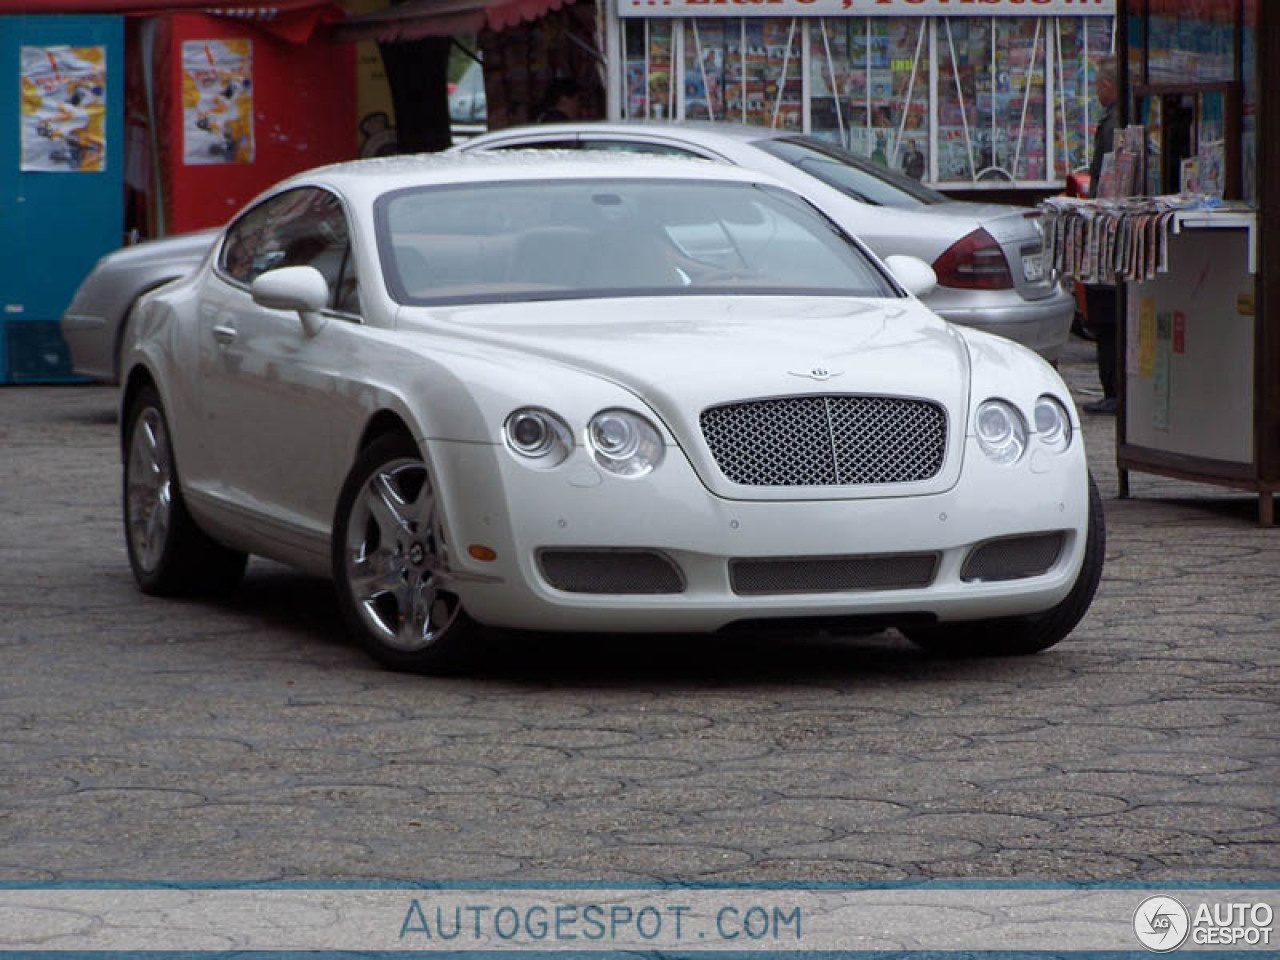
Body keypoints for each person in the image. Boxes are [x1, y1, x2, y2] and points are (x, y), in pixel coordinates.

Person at [1083, 55, 1119, 414]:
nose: (1095, 91)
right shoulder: (1118, 119)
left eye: (1096, 84)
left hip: (1108, 227)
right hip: (1108, 223)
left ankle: (1114, 390)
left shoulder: (1113, 125)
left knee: (1106, 314)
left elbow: (1105, 178)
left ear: (1108, 86)